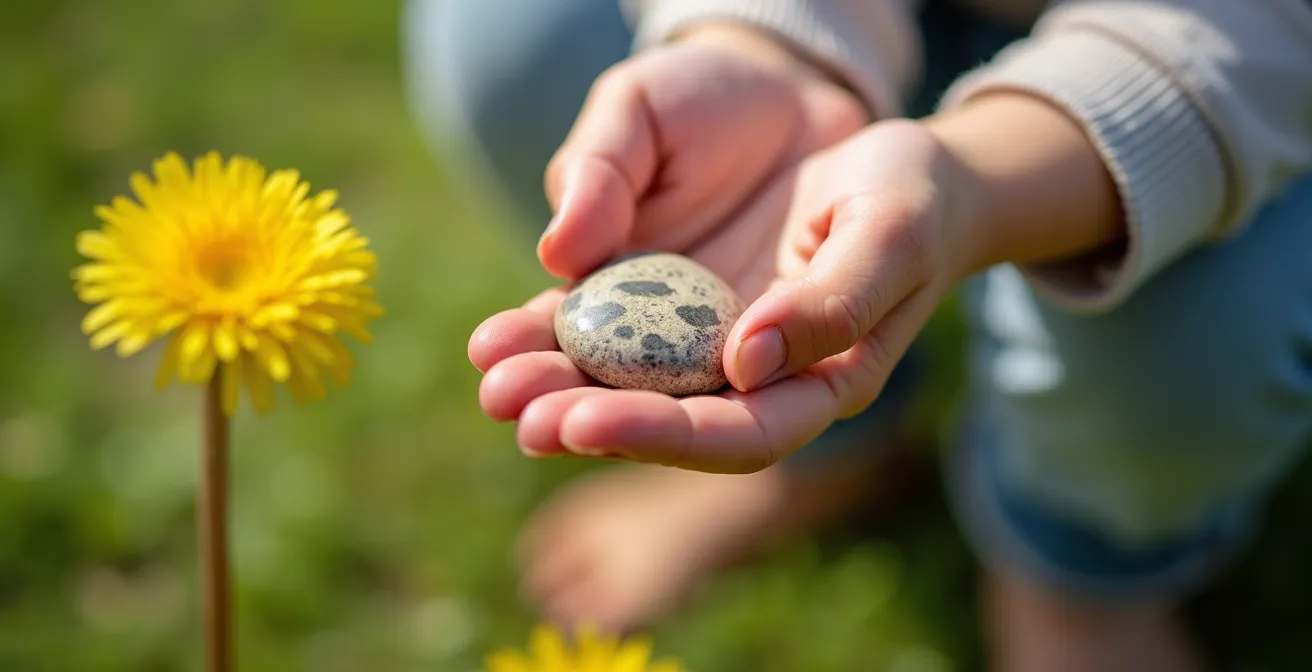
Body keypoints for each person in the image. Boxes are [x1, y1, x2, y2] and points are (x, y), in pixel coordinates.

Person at [405, 1, 1312, 669]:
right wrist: (757, 37)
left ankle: (1083, 575)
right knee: (515, 38)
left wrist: (974, 185)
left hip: (1218, 70)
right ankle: (832, 463)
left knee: (1209, 330)